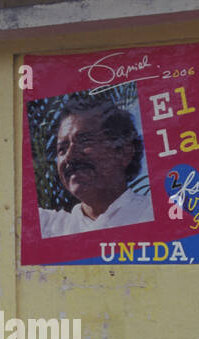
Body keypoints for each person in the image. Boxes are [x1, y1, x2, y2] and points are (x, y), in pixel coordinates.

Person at [39, 95, 153, 238]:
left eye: (85, 141)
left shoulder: (156, 214)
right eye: (62, 149)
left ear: (123, 152)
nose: (69, 156)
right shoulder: (47, 227)